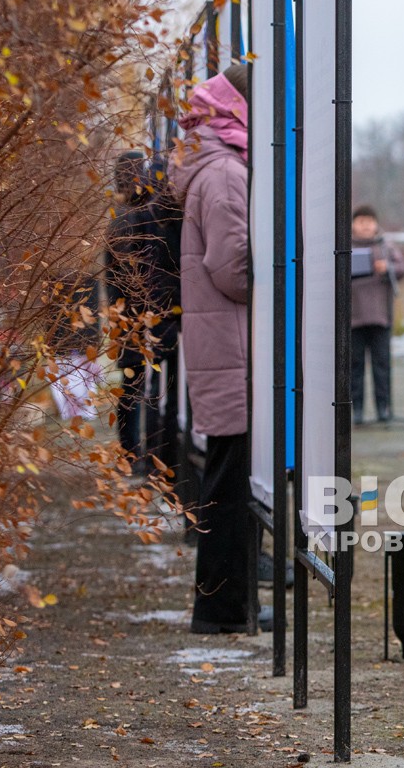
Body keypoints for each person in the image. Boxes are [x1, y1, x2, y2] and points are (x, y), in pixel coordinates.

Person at [170, 63, 273, 633]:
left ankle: (224, 606)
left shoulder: (206, 161)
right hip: (232, 346)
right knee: (231, 486)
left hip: (220, 343)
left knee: (227, 479)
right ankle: (221, 611)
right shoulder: (227, 172)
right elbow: (233, 269)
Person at [105, 151, 180, 476]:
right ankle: (144, 458)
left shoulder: (119, 217)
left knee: (133, 386)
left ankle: (131, 455)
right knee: (151, 389)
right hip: (150, 315)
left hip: (127, 315)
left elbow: (117, 276)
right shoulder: (148, 217)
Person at [349, 205, 404, 424]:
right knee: (354, 368)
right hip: (353, 318)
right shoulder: (345, 245)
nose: (365, 225)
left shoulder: (385, 246)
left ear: (375, 224)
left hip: (381, 317)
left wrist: (388, 267)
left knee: (382, 366)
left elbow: (403, 267)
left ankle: (384, 408)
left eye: (369, 221)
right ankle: (357, 410)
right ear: (353, 224)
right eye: (360, 221)